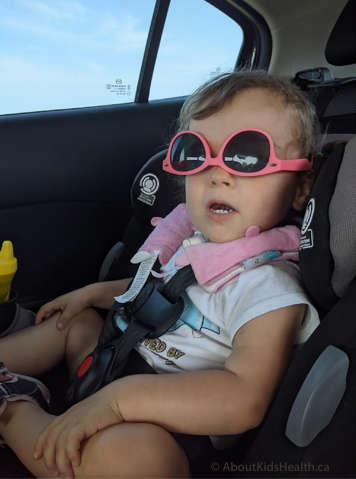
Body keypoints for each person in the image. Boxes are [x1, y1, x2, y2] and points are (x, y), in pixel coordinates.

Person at [0, 71, 320, 478]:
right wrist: (94, 293)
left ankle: (13, 412)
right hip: (117, 362)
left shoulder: (268, 288)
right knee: (75, 321)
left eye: (246, 156)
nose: (217, 174)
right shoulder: (196, 245)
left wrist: (119, 401)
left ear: (299, 187)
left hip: (165, 424)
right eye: (195, 154)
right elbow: (156, 289)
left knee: (133, 460)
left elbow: (244, 397)